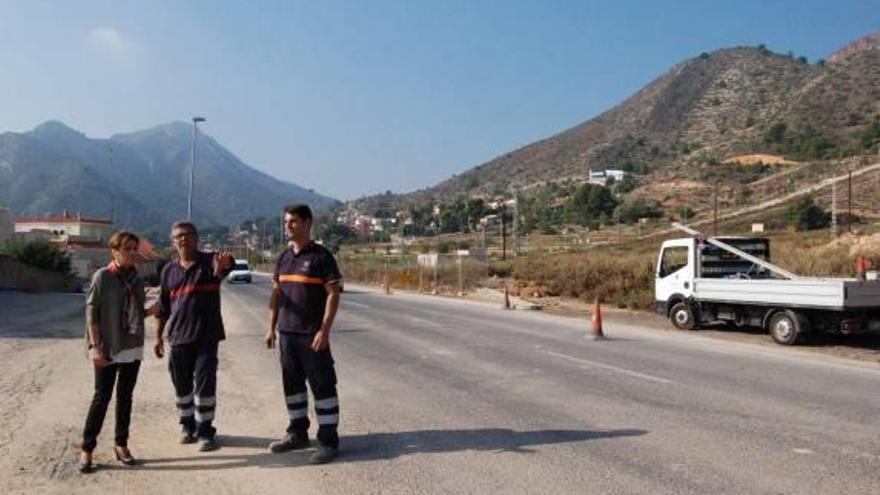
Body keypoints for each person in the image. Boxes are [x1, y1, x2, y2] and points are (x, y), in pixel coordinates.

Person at [266, 203, 342, 464]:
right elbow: (277, 294)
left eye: (294, 221)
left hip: (312, 335)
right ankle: (297, 433)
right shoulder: (283, 257)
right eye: (286, 221)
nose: (288, 225)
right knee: (293, 386)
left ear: (308, 223)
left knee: (323, 386)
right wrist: (271, 327)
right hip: (287, 334)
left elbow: (333, 294)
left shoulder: (321, 257)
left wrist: (324, 330)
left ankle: (329, 441)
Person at [154, 221, 233, 452]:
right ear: (173, 241)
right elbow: (163, 307)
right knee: (182, 386)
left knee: (206, 385)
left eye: (188, 235)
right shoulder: (168, 270)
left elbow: (226, 266)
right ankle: (187, 426)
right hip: (178, 337)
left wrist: (225, 267)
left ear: (197, 238)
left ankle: (206, 431)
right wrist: (158, 337)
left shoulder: (210, 262)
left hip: (206, 337)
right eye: (178, 236)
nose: (183, 239)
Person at [79, 230, 146, 473]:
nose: (131, 253)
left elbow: (138, 310)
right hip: (108, 346)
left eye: (134, 248)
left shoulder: (136, 279)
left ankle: (121, 444)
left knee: (125, 398)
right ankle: (87, 448)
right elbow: (91, 313)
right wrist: (95, 347)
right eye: (126, 248)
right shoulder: (103, 276)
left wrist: (157, 308)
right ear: (115, 251)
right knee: (101, 398)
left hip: (132, 345)